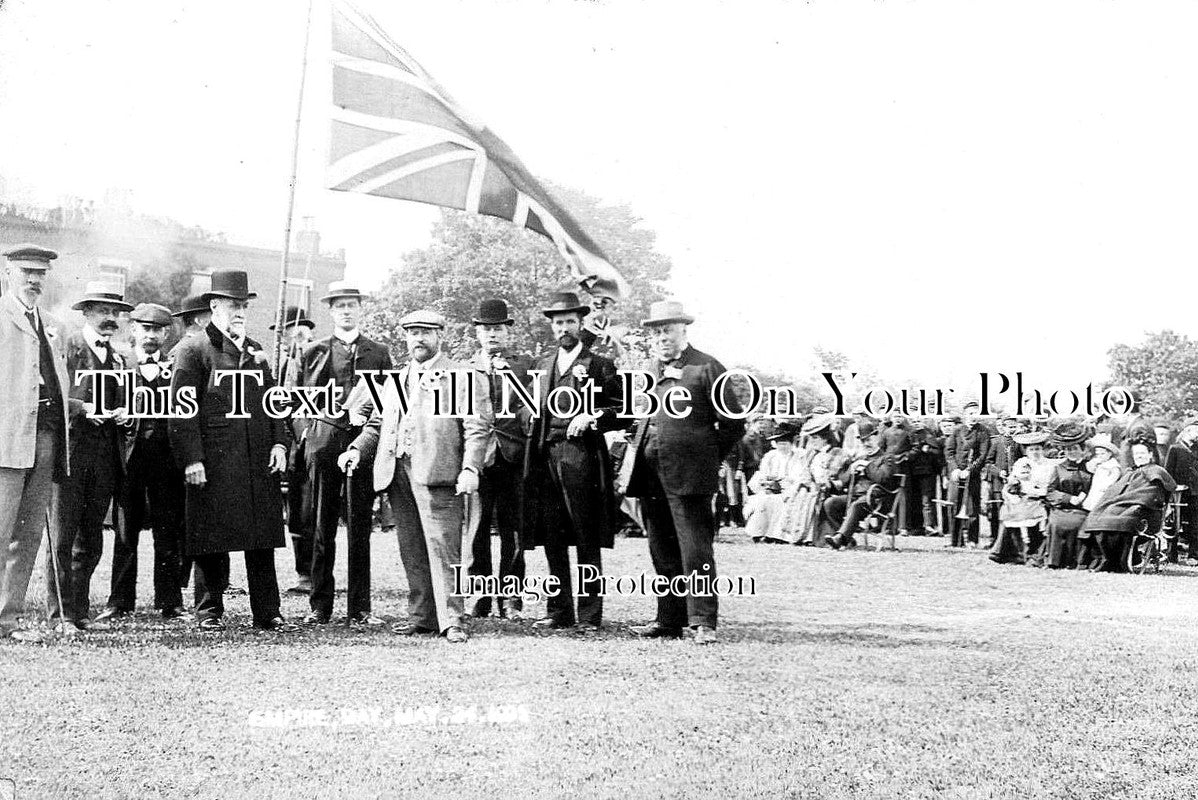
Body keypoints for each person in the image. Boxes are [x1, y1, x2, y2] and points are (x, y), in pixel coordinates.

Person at [339, 309, 489, 643]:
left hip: (439, 472)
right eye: (412, 332)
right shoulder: (397, 378)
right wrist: (356, 449)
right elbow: (378, 423)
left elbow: (477, 426)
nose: (418, 339)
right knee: (411, 548)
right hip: (397, 472)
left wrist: (470, 467)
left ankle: (453, 620)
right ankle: (423, 617)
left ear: (440, 336)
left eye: (425, 332)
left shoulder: (461, 374)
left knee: (445, 550)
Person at [168, 269, 296, 632]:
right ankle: (209, 609)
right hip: (213, 458)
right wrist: (192, 458)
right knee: (210, 534)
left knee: (261, 536)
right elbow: (181, 409)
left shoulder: (255, 350)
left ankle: (267, 610)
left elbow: (276, 403)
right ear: (213, 306)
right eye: (231, 304)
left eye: (243, 305)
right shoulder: (194, 350)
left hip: (257, 457)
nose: (239, 311)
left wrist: (278, 442)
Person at [623, 300, 744, 644]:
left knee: (695, 547)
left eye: (668, 330)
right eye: (657, 332)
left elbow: (734, 423)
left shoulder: (706, 367)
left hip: (690, 474)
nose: (662, 338)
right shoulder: (650, 369)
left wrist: (707, 455)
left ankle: (703, 621)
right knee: (660, 547)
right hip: (650, 473)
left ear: (683, 331)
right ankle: (668, 619)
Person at [522, 292, 624, 632]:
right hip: (545, 457)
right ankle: (559, 611)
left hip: (580, 455)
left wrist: (592, 416)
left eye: (569, 322)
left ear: (580, 325)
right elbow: (526, 407)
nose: (564, 328)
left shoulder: (599, 364)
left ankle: (590, 615)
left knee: (585, 533)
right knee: (552, 535)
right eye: (558, 323)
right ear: (551, 328)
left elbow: (620, 410)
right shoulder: (542, 364)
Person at [294, 282, 392, 626]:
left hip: (363, 444)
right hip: (323, 444)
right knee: (320, 524)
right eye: (340, 306)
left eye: (352, 304)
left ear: (360, 308)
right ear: (331, 311)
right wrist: (309, 437)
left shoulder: (379, 352)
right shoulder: (314, 351)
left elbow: (388, 403)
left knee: (360, 526)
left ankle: (359, 608)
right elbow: (296, 402)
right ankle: (320, 606)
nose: (346, 311)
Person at [46, 281, 133, 632]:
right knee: (63, 537)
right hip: (70, 453)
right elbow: (51, 395)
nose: (110, 318)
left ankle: (80, 612)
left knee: (92, 537)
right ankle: (61, 616)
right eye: (103, 311)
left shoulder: (119, 356)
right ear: (86, 312)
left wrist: (127, 414)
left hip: (105, 457)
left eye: (115, 313)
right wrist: (83, 410)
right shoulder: (66, 346)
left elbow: (127, 400)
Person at [99, 303, 188, 621]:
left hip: (165, 464)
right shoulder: (120, 366)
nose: (150, 335)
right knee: (125, 533)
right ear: (133, 330)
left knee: (167, 533)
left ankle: (170, 602)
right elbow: (103, 408)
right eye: (145, 328)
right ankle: (119, 602)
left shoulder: (176, 368)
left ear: (166, 333)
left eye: (157, 330)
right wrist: (116, 415)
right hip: (128, 462)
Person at [0, 245, 71, 642]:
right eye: (27, 271)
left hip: (44, 437)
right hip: (6, 439)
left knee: (26, 535)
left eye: (40, 274)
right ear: (9, 272)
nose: (34, 280)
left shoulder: (47, 322)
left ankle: (7, 620)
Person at [464, 298, 533, 620]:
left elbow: (532, 407)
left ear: (507, 332)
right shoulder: (465, 369)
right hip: (479, 457)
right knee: (476, 529)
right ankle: (480, 597)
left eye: (498, 329)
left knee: (513, 530)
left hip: (514, 456)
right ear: (478, 332)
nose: (492, 335)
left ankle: (511, 599)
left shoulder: (524, 366)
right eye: (486, 329)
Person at [272, 304, 317, 596]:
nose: (298, 341)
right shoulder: (277, 367)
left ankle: (316, 573)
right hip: (287, 447)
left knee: (313, 509)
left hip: (316, 442)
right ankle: (303, 572)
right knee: (297, 512)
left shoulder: (320, 360)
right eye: (292, 336)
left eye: (303, 335)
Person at [1083, 439, 1176, 573]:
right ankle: (1107, 561)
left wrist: (1132, 503)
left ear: (1150, 454)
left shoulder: (1157, 471)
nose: (1139, 456)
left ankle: (1120, 562)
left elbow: (1151, 495)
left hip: (1146, 513)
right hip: (1125, 508)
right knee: (1098, 518)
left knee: (1121, 520)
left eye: (1142, 453)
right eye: (1136, 453)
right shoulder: (1130, 472)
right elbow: (1114, 492)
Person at [824, 421, 897, 550]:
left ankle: (840, 538)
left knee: (856, 505)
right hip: (856, 496)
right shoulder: (860, 458)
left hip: (876, 499)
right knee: (830, 503)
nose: (866, 443)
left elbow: (883, 478)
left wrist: (867, 466)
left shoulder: (887, 458)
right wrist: (852, 468)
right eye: (863, 441)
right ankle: (847, 539)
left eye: (868, 439)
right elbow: (843, 481)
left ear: (876, 437)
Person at [743, 422, 803, 544]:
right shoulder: (770, 456)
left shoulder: (798, 456)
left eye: (785, 444)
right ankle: (760, 533)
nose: (782, 447)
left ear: (791, 444)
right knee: (763, 500)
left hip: (788, 489)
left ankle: (777, 535)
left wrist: (783, 484)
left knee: (780, 501)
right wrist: (766, 482)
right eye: (780, 444)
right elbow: (762, 474)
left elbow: (798, 477)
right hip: (770, 489)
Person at [1043, 422, 1092, 569]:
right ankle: (1054, 561)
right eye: (1068, 449)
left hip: (1082, 509)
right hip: (1062, 507)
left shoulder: (1089, 468)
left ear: (1082, 450)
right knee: (1056, 523)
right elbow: (1050, 491)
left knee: (1078, 523)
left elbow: (1094, 488)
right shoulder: (1059, 468)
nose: (1072, 452)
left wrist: (1083, 497)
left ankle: (1075, 561)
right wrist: (1069, 498)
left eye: (1075, 448)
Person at [944, 401, 992, 547]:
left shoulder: (983, 431)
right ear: (965, 415)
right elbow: (949, 452)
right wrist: (955, 469)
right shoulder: (957, 430)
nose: (974, 416)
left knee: (972, 508)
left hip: (972, 475)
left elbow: (983, 455)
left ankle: (972, 540)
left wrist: (969, 470)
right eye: (971, 413)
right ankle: (955, 541)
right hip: (957, 474)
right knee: (954, 506)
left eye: (977, 413)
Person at [1080, 435, 1121, 568]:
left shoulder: (1113, 467)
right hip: (1093, 496)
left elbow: (1110, 483)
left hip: (1102, 497)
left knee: (1095, 526)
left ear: (1109, 454)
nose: (1100, 456)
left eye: (1103, 453)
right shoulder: (1099, 464)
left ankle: (1098, 557)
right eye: (1098, 453)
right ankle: (1087, 557)